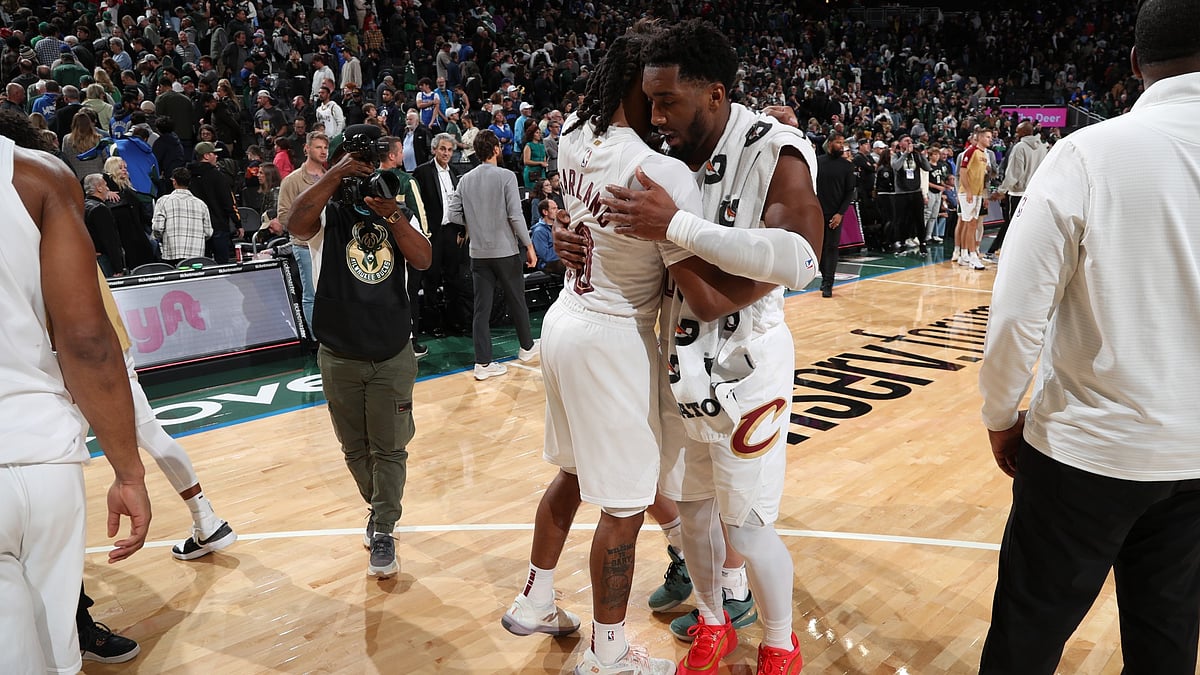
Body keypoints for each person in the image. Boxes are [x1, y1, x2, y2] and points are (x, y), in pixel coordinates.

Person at [595, 19, 824, 675]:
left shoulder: (775, 149)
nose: (655, 116)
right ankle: (714, 623)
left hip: (748, 371)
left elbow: (801, 260)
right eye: (650, 101)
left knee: (747, 525)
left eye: (668, 101)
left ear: (715, 94)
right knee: (693, 513)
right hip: (680, 363)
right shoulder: (666, 156)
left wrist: (676, 226)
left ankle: (779, 642)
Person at [979, 1, 1200, 672]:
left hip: (1085, 450)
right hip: (1194, 455)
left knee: (1026, 640)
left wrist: (1000, 415)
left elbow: (1017, 313)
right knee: (1167, 644)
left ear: (1133, 63)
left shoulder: (1086, 153)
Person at [0, 107, 150, 675]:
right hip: (44, 454)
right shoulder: (37, 174)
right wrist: (129, 473)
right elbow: (87, 341)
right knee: (57, 658)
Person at [286, 124, 432, 579]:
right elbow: (295, 225)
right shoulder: (326, 214)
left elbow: (424, 258)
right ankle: (379, 507)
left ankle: (384, 525)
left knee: (389, 449)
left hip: (391, 351)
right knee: (354, 449)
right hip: (339, 353)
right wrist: (336, 175)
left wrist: (393, 215)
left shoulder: (395, 206)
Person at [446, 129, 539, 381]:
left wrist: (471, 224)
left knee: (481, 309)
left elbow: (452, 214)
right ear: (496, 149)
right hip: (505, 250)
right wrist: (529, 245)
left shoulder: (465, 179)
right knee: (517, 300)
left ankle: (483, 363)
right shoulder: (506, 176)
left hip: (478, 253)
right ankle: (527, 347)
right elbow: (515, 215)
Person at [377, 135, 430, 357]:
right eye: (400, 152)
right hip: (407, 249)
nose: (403, 155)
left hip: (381, 251)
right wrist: (424, 241)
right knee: (409, 296)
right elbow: (420, 215)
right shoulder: (407, 181)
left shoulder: (370, 180)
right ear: (392, 155)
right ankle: (411, 342)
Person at [412, 133, 465, 334]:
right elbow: (417, 204)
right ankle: (432, 324)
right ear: (434, 149)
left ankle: (454, 322)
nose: (446, 153)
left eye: (450, 150)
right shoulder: (422, 171)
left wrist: (461, 229)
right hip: (431, 234)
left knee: (453, 278)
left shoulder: (455, 172)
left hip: (451, 232)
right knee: (431, 280)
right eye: (443, 149)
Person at [277, 131, 329, 331]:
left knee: (331, 292)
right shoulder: (293, 180)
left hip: (330, 243)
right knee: (312, 294)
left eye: (325, 147)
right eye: (318, 147)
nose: (323, 151)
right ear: (306, 149)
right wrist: (307, 228)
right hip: (305, 246)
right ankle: (317, 338)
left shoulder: (331, 177)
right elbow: (284, 216)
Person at [988, 121, 1048, 257]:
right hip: (1034, 192)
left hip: (1017, 193)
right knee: (1027, 225)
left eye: (1018, 131)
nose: (1016, 133)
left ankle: (999, 252)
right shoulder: (1042, 147)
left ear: (1024, 132)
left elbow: (1014, 173)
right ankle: (1023, 253)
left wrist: (1002, 190)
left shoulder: (1020, 147)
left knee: (1011, 224)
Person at [815, 133, 856, 297]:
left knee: (831, 247)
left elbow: (849, 192)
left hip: (835, 214)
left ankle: (828, 283)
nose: (841, 145)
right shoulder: (818, 162)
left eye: (843, 143)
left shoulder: (847, 166)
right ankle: (825, 276)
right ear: (830, 143)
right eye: (838, 142)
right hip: (818, 212)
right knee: (819, 248)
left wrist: (840, 213)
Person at [188, 141, 241, 262]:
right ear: (206, 156)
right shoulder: (218, 176)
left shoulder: (188, 177)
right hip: (218, 226)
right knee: (223, 265)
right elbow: (228, 202)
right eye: (214, 153)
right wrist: (238, 223)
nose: (216, 156)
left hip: (197, 228)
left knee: (202, 264)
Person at [152, 167, 213, 265]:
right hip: (196, 256)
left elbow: (157, 228)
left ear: (174, 182)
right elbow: (208, 232)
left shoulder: (163, 201)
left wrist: (163, 238)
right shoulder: (201, 204)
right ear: (189, 183)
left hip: (171, 255)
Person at [954, 128, 992, 270]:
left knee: (971, 224)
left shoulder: (984, 155)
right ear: (980, 138)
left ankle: (964, 255)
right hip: (968, 193)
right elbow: (962, 171)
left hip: (978, 193)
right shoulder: (970, 152)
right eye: (987, 137)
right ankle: (972, 256)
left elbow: (982, 176)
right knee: (971, 224)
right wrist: (968, 190)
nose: (990, 139)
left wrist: (983, 193)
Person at [82, 173, 126, 276]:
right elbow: (109, 240)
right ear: (99, 188)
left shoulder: (83, 206)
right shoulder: (100, 209)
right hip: (104, 262)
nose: (108, 189)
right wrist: (118, 268)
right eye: (105, 185)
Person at [529, 197, 564, 276]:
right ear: (545, 212)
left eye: (557, 208)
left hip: (560, 258)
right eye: (554, 208)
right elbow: (546, 256)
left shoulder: (560, 226)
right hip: (548, 264)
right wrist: (563, 252)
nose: (557, 211)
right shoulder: (539, 231)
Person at [521, 124, 548, 191]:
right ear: (532, 134)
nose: (539, 134)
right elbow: (526, 161)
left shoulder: (542, 146)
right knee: (533, 191)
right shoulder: (528, 145)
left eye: (540, 133)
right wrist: (540, 163)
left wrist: (545, 163)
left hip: (541, 172)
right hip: (531, 173)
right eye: (537, 133)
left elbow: (544, 159)